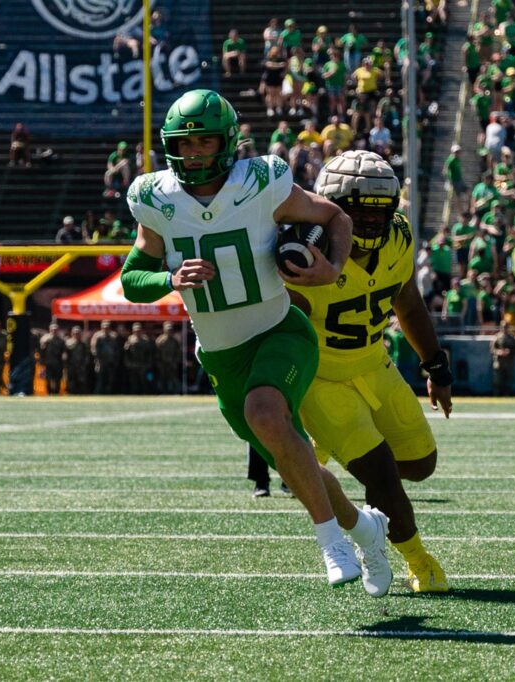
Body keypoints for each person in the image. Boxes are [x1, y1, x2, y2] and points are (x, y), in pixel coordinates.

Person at [121, 90, 390, 594]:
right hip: (222, 357)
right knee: (295, 458)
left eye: (205, 141)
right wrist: (170, 279)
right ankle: (365, 528)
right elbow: (132, 278)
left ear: (226, 141)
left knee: (267, 415)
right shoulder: (154, 198)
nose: (196, 152)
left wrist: (331, 268)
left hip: (279, 331)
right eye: (186, 142)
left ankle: (330, 542)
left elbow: (334, 216)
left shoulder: (261, 181)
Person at [287, 150, 454, 593]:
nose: (374, 221)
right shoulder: (304, 250)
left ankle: (338, 452)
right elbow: (283, 329)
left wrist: (435, 365)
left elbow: (408, 301)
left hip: (373, 361)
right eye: (360, 210)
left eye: (381, 209)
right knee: (381, 476)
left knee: (420, 463)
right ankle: (418, 562)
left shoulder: (398, 236)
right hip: (320, 377)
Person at [123, 322, 155, 394]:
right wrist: (128, 364)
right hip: (133, 364)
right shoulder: (129, 340)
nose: (137, 332)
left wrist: (148, 364)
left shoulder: (146, 340)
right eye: (135, 331)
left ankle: (145, 394)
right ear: (133, 331)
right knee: (133, 381)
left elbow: (149, 354)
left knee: (145, 381)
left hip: (143, 365)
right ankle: (134, 394)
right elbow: (126, 353)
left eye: (139, 330)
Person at [90, 320, 119, 394]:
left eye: (107, 327)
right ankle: (98, 394)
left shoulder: (114, 336)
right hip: (100, 361)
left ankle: (109, 394)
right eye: (104, 327)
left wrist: (115, 360)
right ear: (101, 327)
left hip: (111, 361)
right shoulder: (97, 336)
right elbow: (93, 349)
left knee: (110, 379)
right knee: (100, 379)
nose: (106, 329)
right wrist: (97, 360)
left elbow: (116, 349)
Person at [490, 320, 515, 396]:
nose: (504, 328)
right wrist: (499, 352)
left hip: (509, 362)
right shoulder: (496, 337)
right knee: (497, 380)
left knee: (508, 380)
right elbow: (492, 349)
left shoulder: (512, 337)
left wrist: (509, 351)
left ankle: (507, 394)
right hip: (499, 362)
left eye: (506, 327)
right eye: (503, 327)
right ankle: (496, 395)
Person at [154, 322, 182, 394]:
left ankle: (174, 392)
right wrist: (158, 363)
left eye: (170, 330)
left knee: (173, 378)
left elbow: (178, 352)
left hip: (172, 363)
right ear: (164, 330)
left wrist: (175, 362)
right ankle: (163, 392)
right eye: (168, 330)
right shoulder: (160, 340)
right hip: (162, 363)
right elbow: (156, 353)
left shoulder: (175, 341)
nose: (169, 331)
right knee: (163, 378)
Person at [39, 323, 66, 395]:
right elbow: (41, 351)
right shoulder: (45, 339)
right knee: (48, 379)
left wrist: (63, 362)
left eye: (56, 330)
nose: (54, 331)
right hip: (48, 363)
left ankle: (56, 392)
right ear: (50, 330)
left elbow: (64, 352)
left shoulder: (61, 340)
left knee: (58, 379)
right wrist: (42, 361)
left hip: (58, 363)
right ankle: (49, 392)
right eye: (53, 329)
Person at [63, 326, 90, 394]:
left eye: (78, 333)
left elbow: (86, 355)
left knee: (81, 382)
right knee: (70, 382)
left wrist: (85, 364)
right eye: (75, 333)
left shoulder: (83, 344)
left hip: (80, 367)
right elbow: (64, 354)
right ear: (72, 333)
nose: (76, 335)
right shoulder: (67, 343)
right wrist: (65, 364)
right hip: (71, 366)